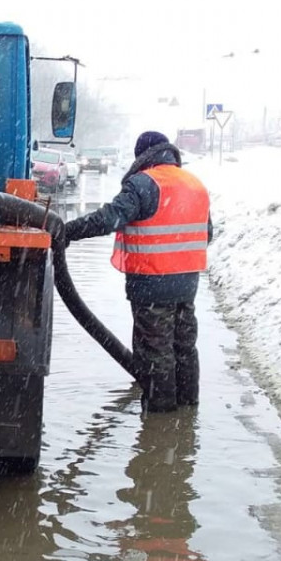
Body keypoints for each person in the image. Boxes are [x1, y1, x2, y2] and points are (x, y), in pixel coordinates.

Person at [62, 131, 211, 413]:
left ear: (143, 155)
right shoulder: (195, 185)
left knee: (156, 352)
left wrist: (67, 231)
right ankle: (188, 409)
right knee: (184, 348)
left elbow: (108, 219)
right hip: (187, 284)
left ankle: (160, 420)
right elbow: (207, 233)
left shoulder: (144, 183)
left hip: (151, 284)